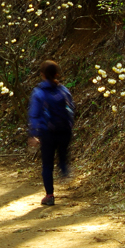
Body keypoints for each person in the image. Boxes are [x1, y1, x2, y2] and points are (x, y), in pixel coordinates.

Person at [27, 60, 75, 206]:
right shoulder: (64, 90)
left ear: (42, 75)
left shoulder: (39, 93)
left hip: (47, 133)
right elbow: (71, 108)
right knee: (62, 154)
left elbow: (34, 115)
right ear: (57, 74)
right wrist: (69, 126)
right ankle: (64, 169)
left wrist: (33, 134)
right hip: (65, 131)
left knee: (47, 165)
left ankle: (50, 195)